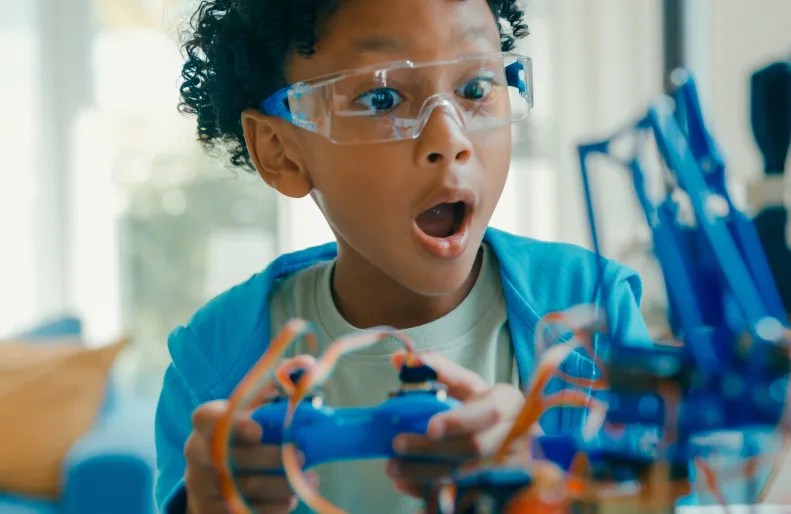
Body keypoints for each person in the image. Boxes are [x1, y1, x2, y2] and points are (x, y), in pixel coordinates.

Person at [154, 0, 652, 513]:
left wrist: (547, 493)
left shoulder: (594, 312)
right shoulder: (213, 365)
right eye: (382, 97)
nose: (450, 139)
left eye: (476, 89)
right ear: (281, 150)